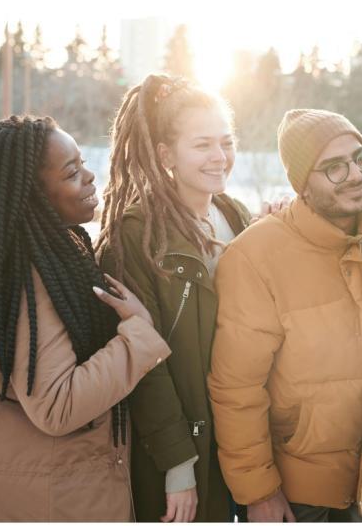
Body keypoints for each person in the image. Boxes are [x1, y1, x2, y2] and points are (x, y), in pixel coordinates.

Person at [0, 115, 171, 521]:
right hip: (52, 500)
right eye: (71, 172)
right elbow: (56, 406)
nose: (89, 177)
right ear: (32, 194)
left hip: (31, 487)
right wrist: (138, 335)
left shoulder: (14, 258)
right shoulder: (28, 273)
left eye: (83, 163)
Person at [207, 109, 362, 522]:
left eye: (359, 157)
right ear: (302, 185)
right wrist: (259, 492)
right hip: (298, 495)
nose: (354, 174)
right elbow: (236, 389)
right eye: (333, 168)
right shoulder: (254, 257)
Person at [96, 75, 251, 522]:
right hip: (178, 452)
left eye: (226, 141)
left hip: (239, 436)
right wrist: (178, 465)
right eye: (202, 145)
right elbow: (141, 362)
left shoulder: (234, 215)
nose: (220, 157)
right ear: (166, 154)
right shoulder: (134, 238)